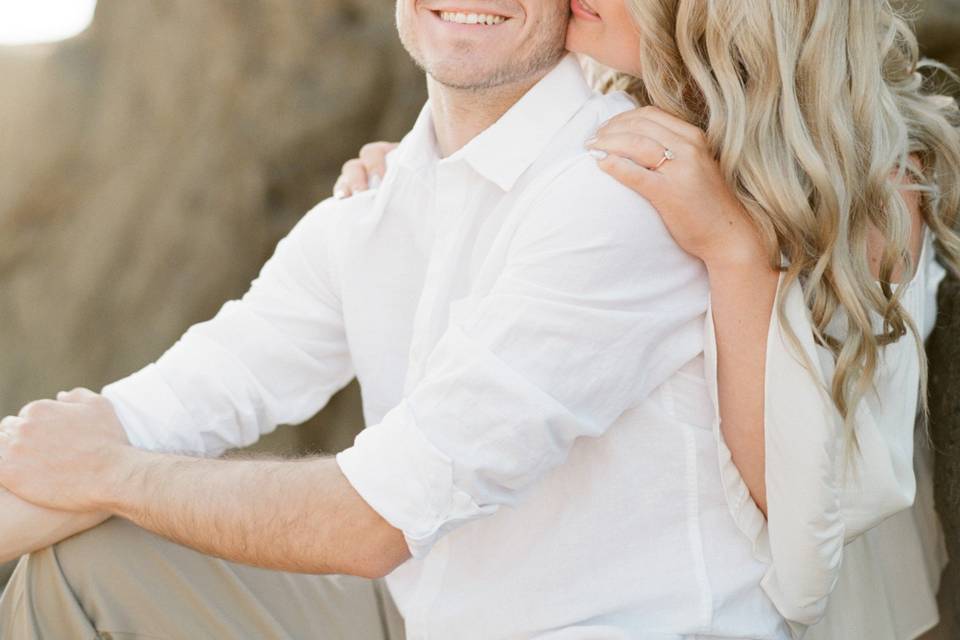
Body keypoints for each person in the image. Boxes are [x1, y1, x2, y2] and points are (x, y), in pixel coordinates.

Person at [0, 1, 798, 639]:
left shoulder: (621, 186)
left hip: (609, 628)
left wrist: (110, 473)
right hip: (425, 613)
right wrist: (84, 457)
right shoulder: (377, 201)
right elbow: (166, 406)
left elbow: (374, 520)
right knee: (82, 566)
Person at [332, 1, 960, 639]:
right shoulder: (614, 89)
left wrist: (734, 252)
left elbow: (802, 522)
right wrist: (433, 174)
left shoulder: (873, 189)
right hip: (614, 584)